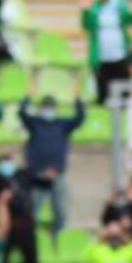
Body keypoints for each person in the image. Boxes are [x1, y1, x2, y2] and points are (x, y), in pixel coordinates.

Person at [19, 95, 85, 247]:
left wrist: (78, 102)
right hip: (38, 175)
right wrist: (26, 99)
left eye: (51, 107)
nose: (48, 110)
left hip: (57, 175)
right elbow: (22, 114)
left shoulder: (62, 124)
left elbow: (79, 119)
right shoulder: (35, 123)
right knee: (33, 211)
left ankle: (57, 241)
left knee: (61, 212)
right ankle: (33, 241)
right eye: (45, 107)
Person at [83, 0, 132, 104]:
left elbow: (131, 21)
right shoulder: (94, 7)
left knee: (123, 85)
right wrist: (85, 12)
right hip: (102, 53)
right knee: (102, 87)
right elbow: (87, 25)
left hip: (119, 53)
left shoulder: (120, 6)